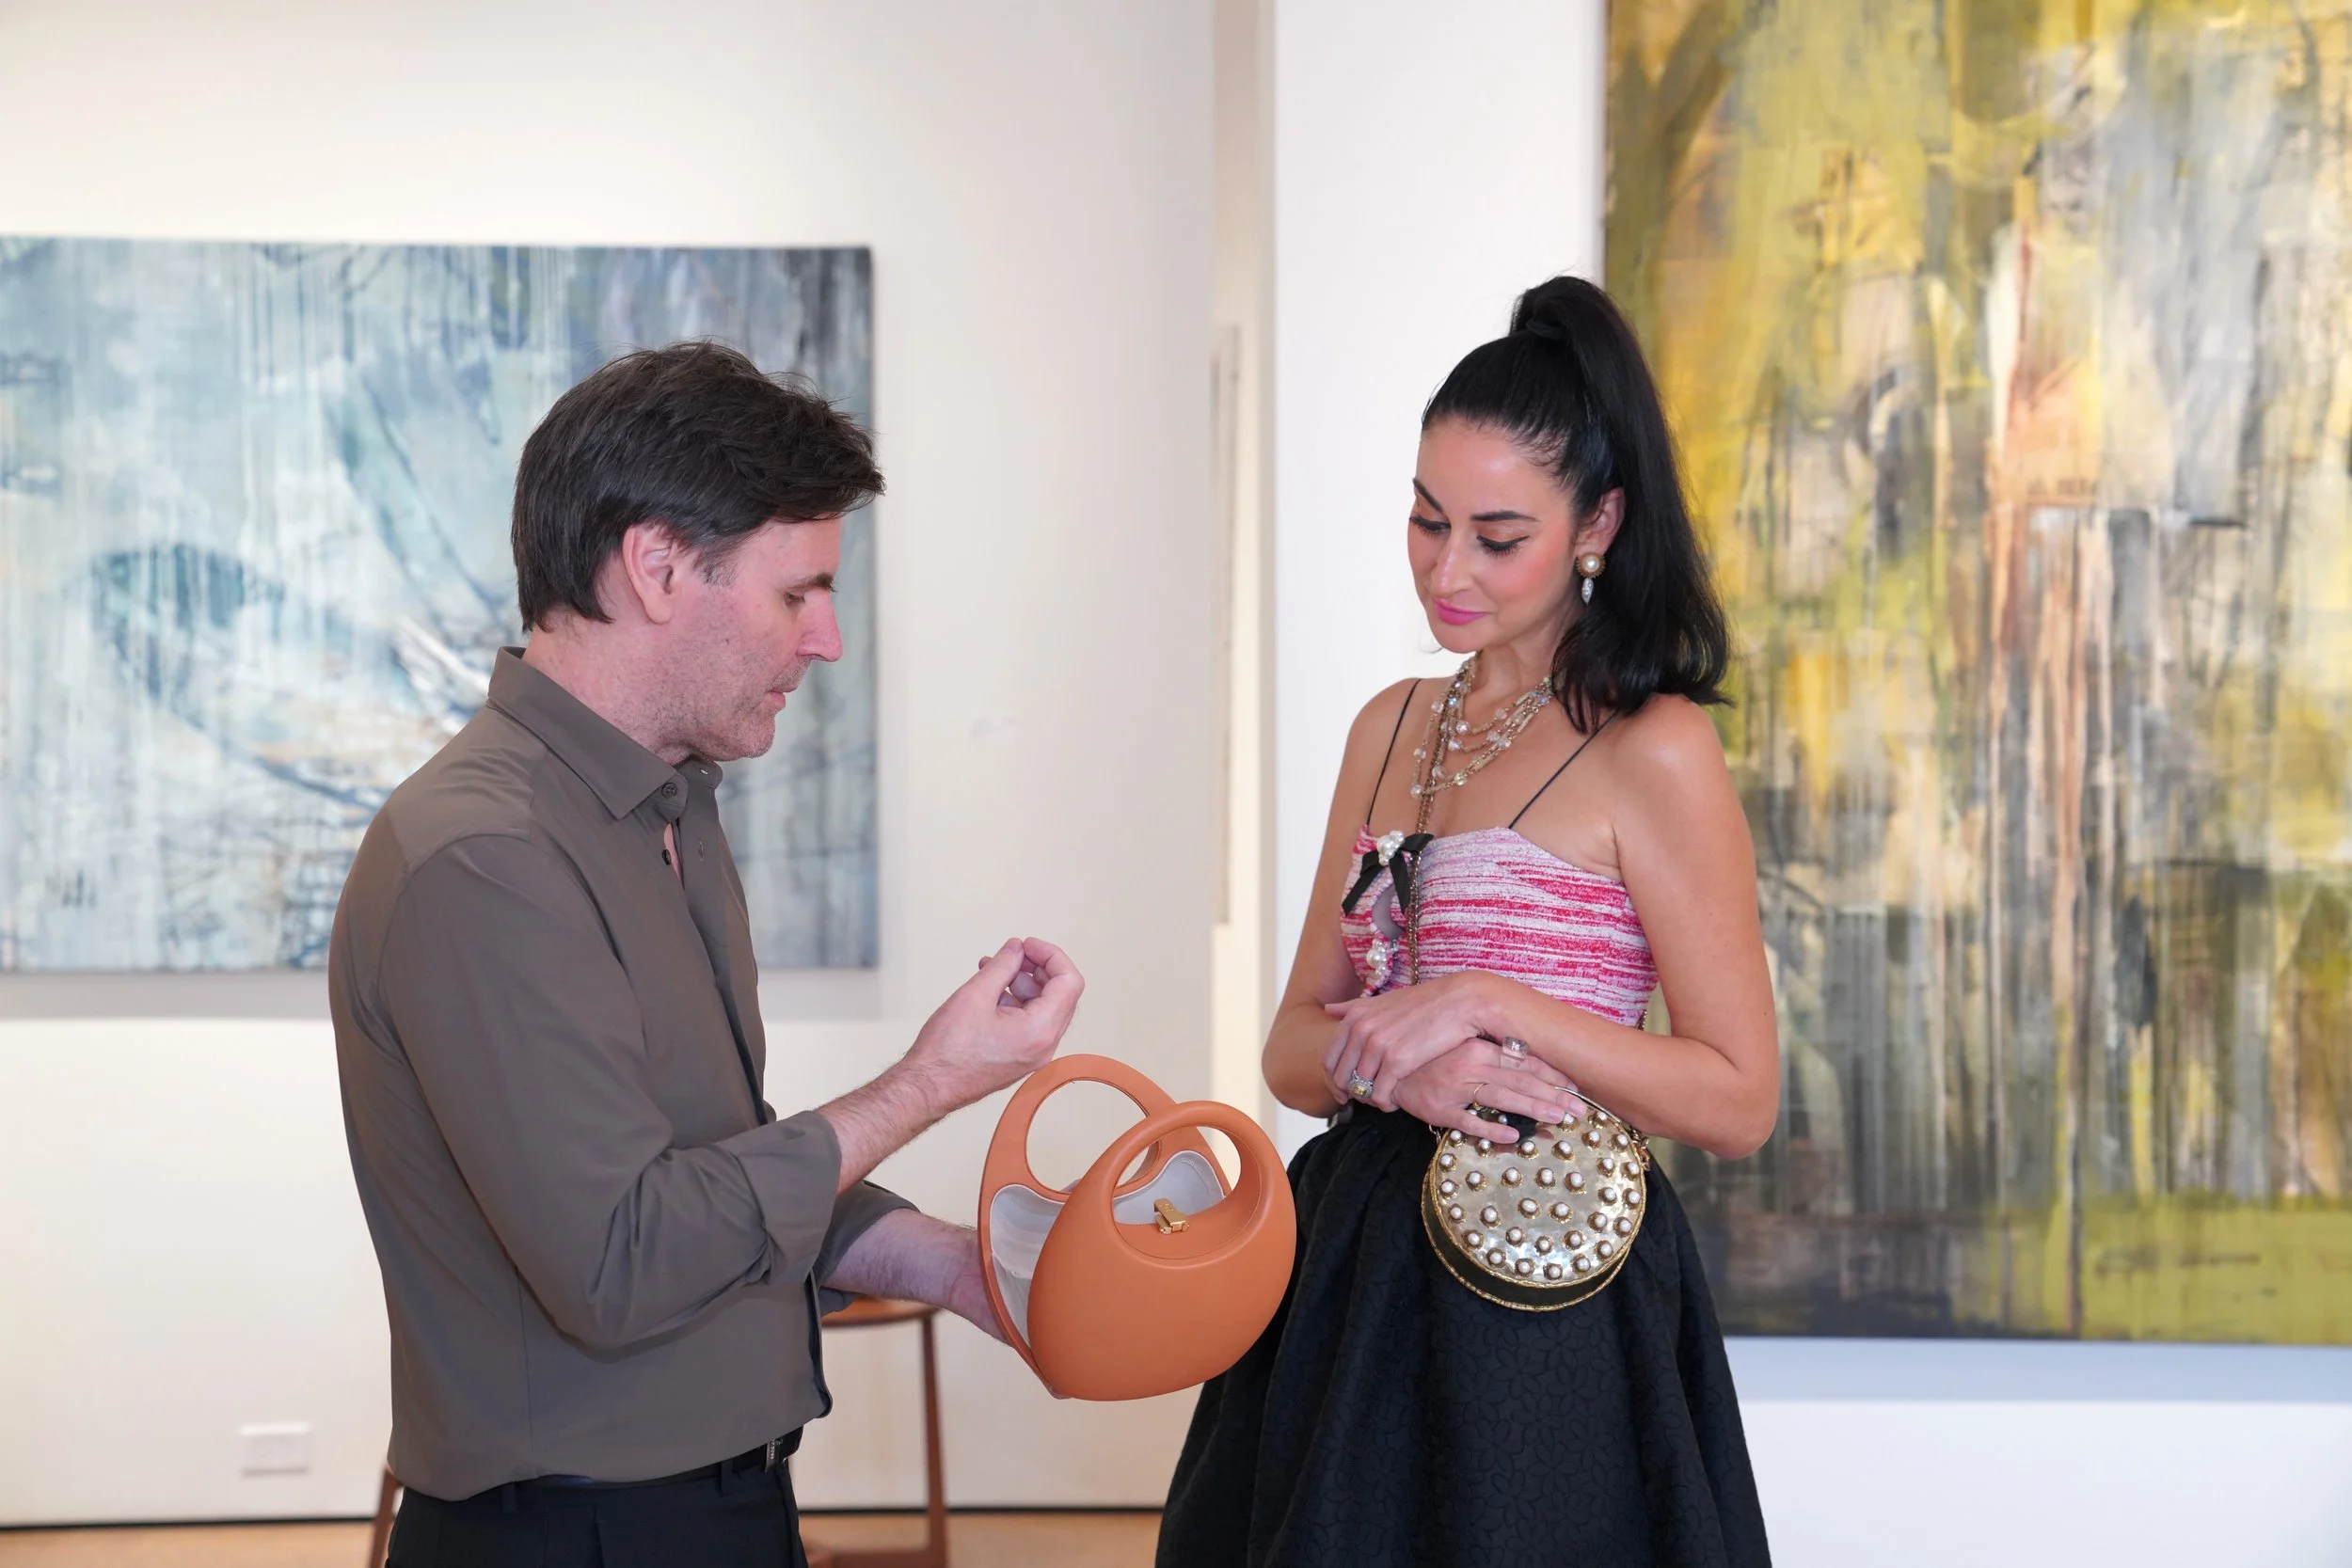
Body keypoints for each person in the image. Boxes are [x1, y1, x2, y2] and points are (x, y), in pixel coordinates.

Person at [330, 341, 1082, 1568]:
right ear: (659, 566)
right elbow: (623, 1255)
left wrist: (951, 1265)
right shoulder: (479, 855)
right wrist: (928, 1082)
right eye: (800, 592)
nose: (828, 639)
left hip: (712, 1508)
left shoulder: (672, 812)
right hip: (576, 1532)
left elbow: (713, 1178)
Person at [1157, 277, 1778, 1566]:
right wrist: (1396, 1052)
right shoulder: (1391, 724)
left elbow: (1736, 1094)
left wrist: (1490, 1002)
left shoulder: (1652, 749)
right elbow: (1290, 1046)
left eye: (1499, 536)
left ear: (1597, 522)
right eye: (1427, 520)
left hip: (1547, 1293)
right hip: (1353, 1270)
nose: (1448, 568)